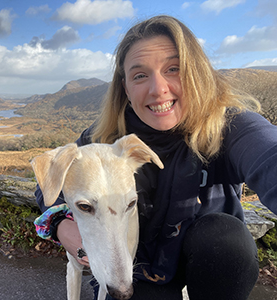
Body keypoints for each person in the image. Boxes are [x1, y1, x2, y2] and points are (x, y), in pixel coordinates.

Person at [34, 15, 277, 300]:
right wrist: (61, 225)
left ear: (196, 73)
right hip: (141, 270)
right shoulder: (103, 142)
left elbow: (268, 153)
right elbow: (48, 184)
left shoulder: (232, 129)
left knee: (225, 238)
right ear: (125, 87)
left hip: (210, 265)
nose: (158, 89)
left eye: (173, 69)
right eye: (140, 75)